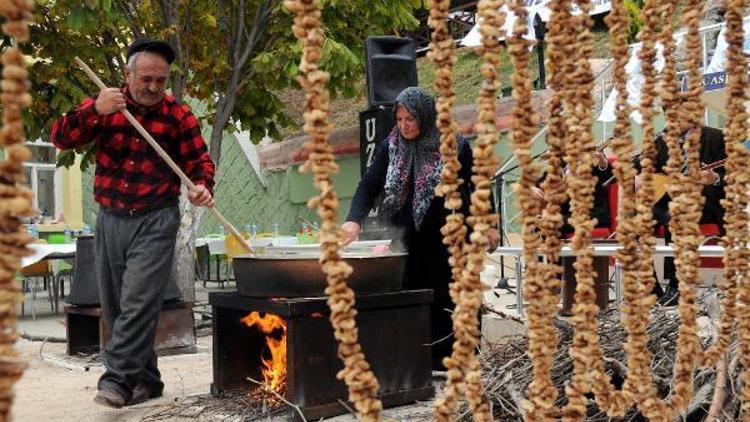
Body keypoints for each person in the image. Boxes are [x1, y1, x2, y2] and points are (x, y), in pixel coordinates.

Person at [51, 38, 216, 408]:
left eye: (161, 80)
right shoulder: (108, 105)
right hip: (110, 218)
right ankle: (148, 380)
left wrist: (202, 186)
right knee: (115, 308)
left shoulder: (179, 115)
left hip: (156, 218)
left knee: (139, 302)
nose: (154, 87)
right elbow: (60, 138)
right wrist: (94, 109)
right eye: (146, 78)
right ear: (128, 74)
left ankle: (117, 381)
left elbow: (200, 164)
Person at [341, 86, 500, 370]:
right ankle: (419, 362)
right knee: (414, 295)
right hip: (407, 239)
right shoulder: (390, 147)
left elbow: (477, 186)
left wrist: (488, 224)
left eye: (410, 119)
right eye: (399, 120)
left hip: (449, 235)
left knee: (451, 295)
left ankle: (457, 362)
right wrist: (353, 219)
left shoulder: (453, 146)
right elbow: (368, 186)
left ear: (425, 116)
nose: (404, 126)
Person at [635, 125, 726, 305]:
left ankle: (675, 284)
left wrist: (714, 178)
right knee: (637, 219)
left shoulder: (716, 137)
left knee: (675, 214)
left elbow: (733, 174)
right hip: (669, 199)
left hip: (706, 203)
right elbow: (637, 162)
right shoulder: (663, 139)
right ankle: (650, 286)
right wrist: (636, 175)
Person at [532, 150, 614, 315]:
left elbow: (609, 176)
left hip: (591, 215)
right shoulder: (559, 166)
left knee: (552, 224)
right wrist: (532, 188)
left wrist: (603, 164)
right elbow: (537, 182)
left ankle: (555, 284)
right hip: (568, 217)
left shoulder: (591, 161)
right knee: (541, 225)